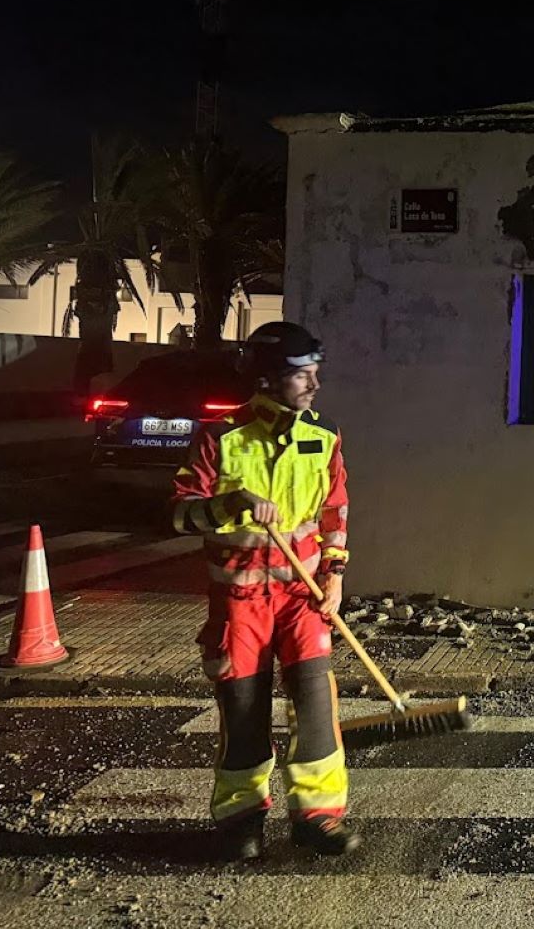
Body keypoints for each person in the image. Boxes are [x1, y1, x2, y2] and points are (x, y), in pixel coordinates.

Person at [170, 321, 360, 861]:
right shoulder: (220, 438)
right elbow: (180, 514)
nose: (315, 385)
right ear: (267, 378)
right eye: (303, 376)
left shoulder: (323, 436)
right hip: (240, 605)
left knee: (316, 708)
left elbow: (334, 513)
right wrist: (231, 503)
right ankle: (241, 820)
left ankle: (318, 818)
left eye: (316, 373)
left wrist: (334, 574)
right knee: (244, 712)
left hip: (303, 599)